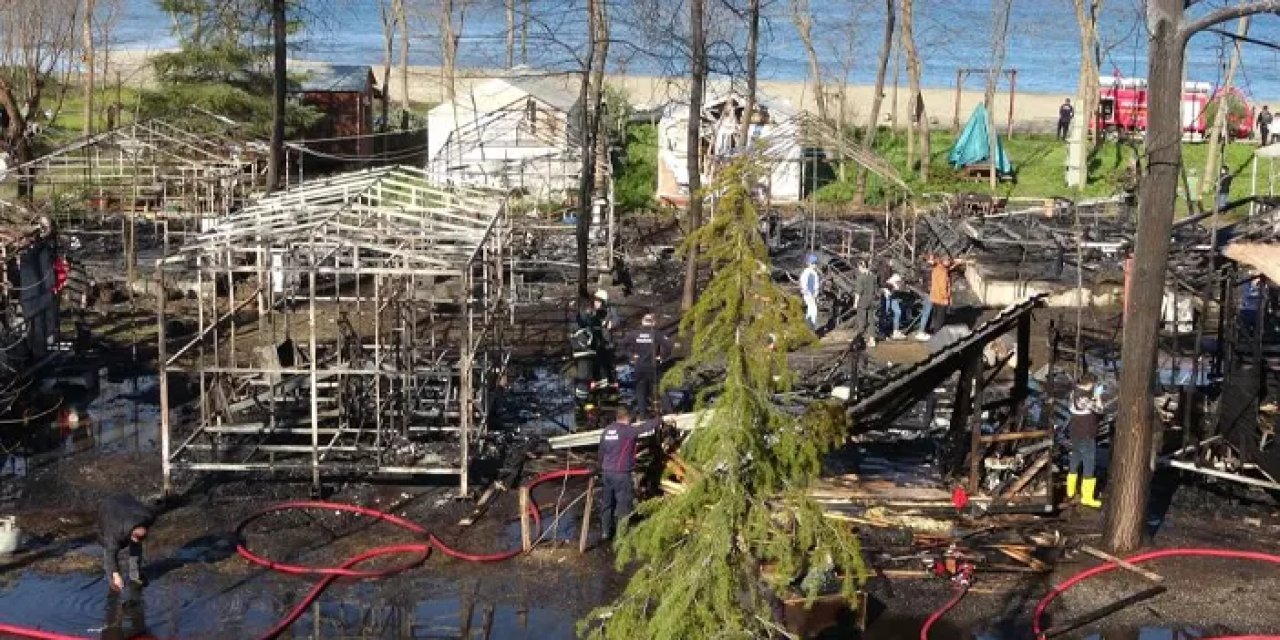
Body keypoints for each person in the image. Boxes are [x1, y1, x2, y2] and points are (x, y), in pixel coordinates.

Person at [597, 407, 660, 541]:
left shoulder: (607, 430)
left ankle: (605, 532)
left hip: (607, 473)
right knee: (623, 504)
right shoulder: (627, 431)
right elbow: (644, 428)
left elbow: (601, 452)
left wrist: (600, 467)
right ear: (627, 417)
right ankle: (622, 536)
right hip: (621, 473)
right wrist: (660, 419)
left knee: (607, 503)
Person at [98, 493, 156, 592]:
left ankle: (135, 575)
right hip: (108, 510)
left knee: (136, 547)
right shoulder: (114, 532)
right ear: (131, 534)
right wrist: (116, 574)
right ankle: (114, 583)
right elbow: (110, 554)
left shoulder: (148, 517)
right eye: (135, 538)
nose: (138, 541)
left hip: (126, 502)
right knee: (109, 550)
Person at [1066, 378, 1105, 508]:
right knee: (1089, 464)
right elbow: (1099, 410)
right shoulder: (1084, 399)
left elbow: (1084, 407)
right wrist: (1098, 397)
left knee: (1075, 460)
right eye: (1094, 385)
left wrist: (1092, 397)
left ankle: (1070, 490)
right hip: (1086, 435)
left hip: (1075, 433)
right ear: (1089, 384)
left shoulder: (1073, 394)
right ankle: (1087, 497)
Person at [624, 312, 672, 418]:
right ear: (653, 323)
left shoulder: (634, 334)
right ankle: (669, 411)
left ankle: (642, 414)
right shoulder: (656, 333)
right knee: (660, 388)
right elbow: (668, 346)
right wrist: (662, 357)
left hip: (639, 366)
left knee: (641, 391)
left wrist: (631, 356)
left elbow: (624, 345)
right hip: (653, 366)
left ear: (642, 322)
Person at [917, 254, 960, 341]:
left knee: (935, 317)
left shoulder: (936, 269)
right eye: (948, 261)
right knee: (940, 319)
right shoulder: (942, 271)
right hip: (941, 298)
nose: (949, 262)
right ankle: (937, 337)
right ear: (944, 261)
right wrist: (946, 298)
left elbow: (946, 268)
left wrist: (956, 263)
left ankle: (931, 332)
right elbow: (943, 286)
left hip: (934, 296)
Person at [590, 289, 620, 386]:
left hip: (607, 342)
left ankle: (611, 384)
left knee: (609, 364)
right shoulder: (592, 312)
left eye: (598, 301)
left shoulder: (611, 310)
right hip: (595, 342)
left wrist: (612, 323)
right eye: (595, 301)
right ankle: (595, 382)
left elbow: (616, 320)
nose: (596, 303)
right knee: (595, 364)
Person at [852, 261, 879, 347]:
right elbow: (876, 291)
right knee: (871, 321)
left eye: (859, 267)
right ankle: (872, 340)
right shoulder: (873, 277)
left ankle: (859, 340)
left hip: (862, 302)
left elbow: (858, 292)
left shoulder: (860, 277)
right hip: (871, 301)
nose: (858, 269)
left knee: (861, 321)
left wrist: (855, 303)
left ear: (861, 266)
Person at [883, 273, 909, 340]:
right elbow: (892, 286)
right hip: (887, 296)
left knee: (898, 312)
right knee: (886, 314)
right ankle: (885, 333)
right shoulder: (896, 277)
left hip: (892, 296)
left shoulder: (898, 279)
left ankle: (896, 331)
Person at [799, 254, 821, 330]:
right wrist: (809, 294)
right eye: (813, 263)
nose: (815, 265)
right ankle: (810, 328)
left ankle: (809, 328)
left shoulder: (812, 272)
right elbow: (805, 285)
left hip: (812, 295)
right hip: (809, 295)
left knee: (811, 310)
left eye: (815, 263)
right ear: (809, 264)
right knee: (813, 311)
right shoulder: (808, 272)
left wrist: (815, 295)